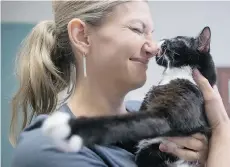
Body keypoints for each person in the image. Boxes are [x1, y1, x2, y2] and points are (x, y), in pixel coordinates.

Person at [10, 1, 230, 167]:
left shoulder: (144, 110)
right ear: (82, 36)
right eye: (137, 29)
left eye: (151, 33)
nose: (154, 48)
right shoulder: (48, 146)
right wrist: (221, 132)